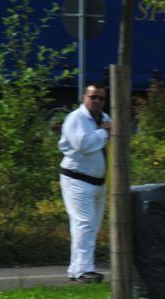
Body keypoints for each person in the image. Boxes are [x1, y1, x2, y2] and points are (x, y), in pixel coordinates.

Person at [59, 83, 111, 283]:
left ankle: (76, 269)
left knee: (92, 226)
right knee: (84, 224)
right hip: (76, 179)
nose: (96, 101)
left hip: (99, 181)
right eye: (93, 97)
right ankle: (84, 271)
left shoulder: (105, 119)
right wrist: (104, 133)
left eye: (100, 98)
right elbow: (83, 145)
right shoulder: (75, 119)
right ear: (84, 97)